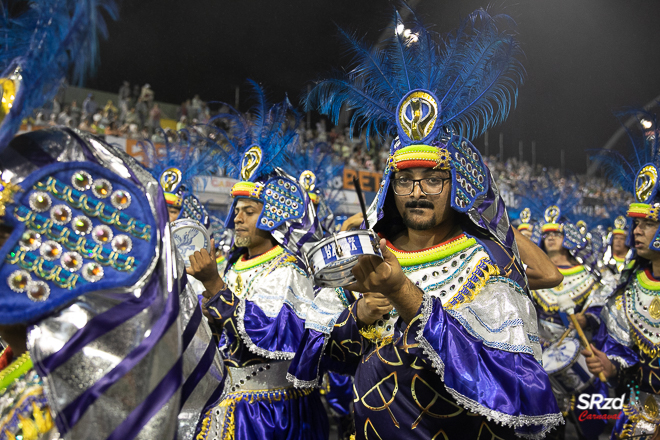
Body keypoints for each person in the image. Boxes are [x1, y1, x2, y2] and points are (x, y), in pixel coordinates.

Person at [289, 8, 563, 439]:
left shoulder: (483, 263)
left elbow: (511, 386)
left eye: (434, 179)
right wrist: (358, 313)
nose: (417, 192)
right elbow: (319, 361)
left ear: (458, 186)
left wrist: (403, 293)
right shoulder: (369, 257)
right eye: (406, 180)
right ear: (391, 188)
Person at [0, 127, 225, 439]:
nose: (237, 218)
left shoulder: (67, 408)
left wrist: (215, 286)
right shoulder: (34, 372)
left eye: (4, 238)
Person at [190, 88, 329, 440]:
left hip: (271, 415)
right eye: (236, 211)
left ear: (272, 219)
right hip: (225, 407)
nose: (237, 219)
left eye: (249, 212)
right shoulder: (233, 265)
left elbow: (271, 334)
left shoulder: (288, 269)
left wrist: (214, 286)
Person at [583, 109, 660, 439]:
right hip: (643, 411)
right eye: (636, 224)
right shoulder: (629, 290)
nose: (638, 231)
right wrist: (611, 366)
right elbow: (626, 362)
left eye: (649, 223)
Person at [531, 206, 610, 439]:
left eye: (556, 233)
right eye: (546, 234)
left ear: (568, 238)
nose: (551, 237)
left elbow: (600, 306)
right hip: (542, 359)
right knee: (549, 427)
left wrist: (586, 318)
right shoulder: (533, 275)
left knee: (587, 426)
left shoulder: (586, 275)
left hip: (578, 356)